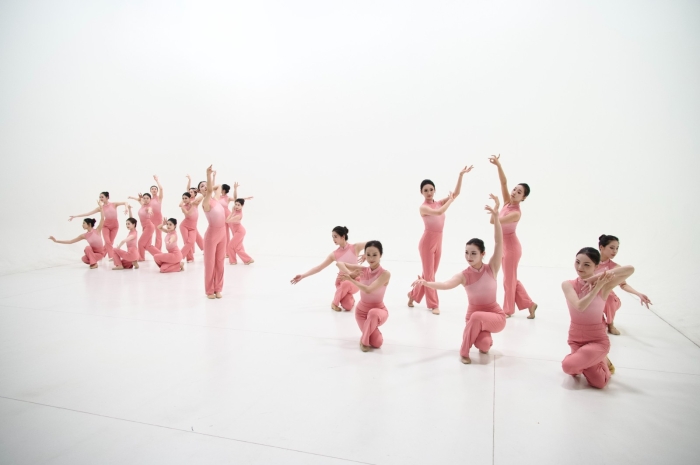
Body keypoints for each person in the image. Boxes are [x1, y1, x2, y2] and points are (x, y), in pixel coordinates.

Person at [413, 194, 506, 364]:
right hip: (473, 317)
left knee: (480, 326)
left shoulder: (492, 268)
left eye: (473, 253)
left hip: (495, 315)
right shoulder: (464, 275)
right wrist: (426, 283)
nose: (469, 257)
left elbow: (499, 242)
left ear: (482, 254)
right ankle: (469, 344)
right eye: (466, 253)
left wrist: (496, 217)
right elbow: (446, 284)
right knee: (484, 343)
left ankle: (469, 342)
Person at [561, 247, 634, 388]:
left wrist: (596, 279)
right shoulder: (568, 285)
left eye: (586, 264)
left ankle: (601, 358)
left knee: (600, 383)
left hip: (597, 340)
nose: (580, 267)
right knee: (570, 369)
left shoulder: (605, 286)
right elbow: (580, 306)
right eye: (577, 262)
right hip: (576, 338)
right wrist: (596, 288)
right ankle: (596, 359)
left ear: (597, 266)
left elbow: (630, 269)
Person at [408, 166, 473, 315]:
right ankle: (433, 305)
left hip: (439, 241)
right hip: (427, 243)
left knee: (428, 275)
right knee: (430, 276)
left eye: (431, 189)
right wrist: (450, 200)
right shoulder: (423, 207)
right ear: (421, 192)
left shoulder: (438, 202)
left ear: (435, 190)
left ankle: (413, 295)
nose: (429, 192)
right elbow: (439, 212)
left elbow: (456, 194)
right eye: (426, 190)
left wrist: (460, 175)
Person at [488, 154, 537, 319]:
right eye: (515, 189)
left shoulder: (515, 212)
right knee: (511, 278)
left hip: (512, 248)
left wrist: (495, 209)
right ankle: (530, 304)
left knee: (508, 280)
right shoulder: (508, 203)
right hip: (503, 246)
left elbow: (494, 221)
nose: (515, 192)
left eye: (519, 192)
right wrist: (498, 165)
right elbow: (504, 182)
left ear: (523, 198)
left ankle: (508, 310)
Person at [290, 227, 367, 312]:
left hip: (356, 281)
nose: (333, 239)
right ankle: (345, 296)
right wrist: (303, 275)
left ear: (343, 236)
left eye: (335, 236)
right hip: (342, 281)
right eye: (332, 237)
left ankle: (334, 303)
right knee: (347, 306)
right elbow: (319, 268)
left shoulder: (355, 247)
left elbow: (373, 244)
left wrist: (367, 254)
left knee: (347, 283)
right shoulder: (334, 254)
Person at [336, 241, 390, 351]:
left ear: (381, 255)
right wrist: (350, 273)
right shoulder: (363, 270)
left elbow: (368, 290)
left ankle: (364, 341)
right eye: (368, 254)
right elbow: (339, 263)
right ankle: (367, 335)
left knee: (373, 314)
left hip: (378, 310)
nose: (371, 258)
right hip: (361, 313)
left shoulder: (385, 274)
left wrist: (351, 279)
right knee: (377, 342)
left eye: (374, 254)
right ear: (365, 255)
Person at [597, 234, 652, 335]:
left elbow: (623, 285)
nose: (615, 251)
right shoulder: (590, 261)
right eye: (612, 248)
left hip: (607, 296)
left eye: (617, 248)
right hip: (592, 295)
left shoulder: (616, 267)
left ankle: (610, 324)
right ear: (601, 247)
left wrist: (638, 294)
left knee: (609, 298)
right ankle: (599, 319)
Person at [69, 192, 128, 260]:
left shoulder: (114, 204)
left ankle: (102, 254)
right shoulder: (100, 208)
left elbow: (125, 202)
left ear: (107, 197)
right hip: (106, 226)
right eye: (100, 197)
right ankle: (112, 257)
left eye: (102, 197)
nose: (100, 198)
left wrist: (126, 208)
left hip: (115, 226)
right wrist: (75, 216)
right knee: (108, 242)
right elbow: (88, 213)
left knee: (110, 243)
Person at [50, 201, 105, 268]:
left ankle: (94, 264)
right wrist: (56, 241)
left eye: (84, 223)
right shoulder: (84, 235)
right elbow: (70, 241)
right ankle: (93, 262)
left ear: (89, 224)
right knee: (84, 258)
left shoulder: (97, 230)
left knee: (87, 248)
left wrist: (101, 207)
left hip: (100, 254)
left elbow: (102, 219)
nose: (82, 225)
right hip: (93, 254)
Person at [200, 165, 226, 298]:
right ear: (200, 191)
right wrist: (208, 175)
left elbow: (219, 186)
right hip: (212, 235)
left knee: (220, 262)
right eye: (202, 186)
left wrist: (211, 180)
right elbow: (210, 190)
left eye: (206, 185)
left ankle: (218, 289)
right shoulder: (205, 202)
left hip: (223, 234)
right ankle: (209, 290)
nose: (205, 187)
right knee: (210, 264)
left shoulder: (215, 199)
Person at [225, 183, 255, 265]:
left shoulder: (238, 215)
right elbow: (236, 199)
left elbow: (227, 221)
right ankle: (247, 260)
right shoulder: (236, 209)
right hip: (237, 232)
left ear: (242, 206)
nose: (236, 206)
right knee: (238, 247)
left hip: (240, 232)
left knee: (230, 246)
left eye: (238, 205)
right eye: (236, 204)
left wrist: (231, 212)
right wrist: (235, 189)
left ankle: (233, 261)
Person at [128, 193, 157, 261]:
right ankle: (161, 255)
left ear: (150, 199)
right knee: (148, 246)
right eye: (144, 198)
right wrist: (131, 197)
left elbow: (149, 209)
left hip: (149, 227)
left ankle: (141, 258)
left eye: (147, 198)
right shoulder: (143, 205)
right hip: (145, 227)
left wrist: (150, 211)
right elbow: (139, 199)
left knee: (140, 243)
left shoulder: (148, 207)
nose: (146, 200)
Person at [186, 175, 205, 252]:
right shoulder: (188, 198)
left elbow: (202, 196)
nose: (190, 193)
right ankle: (196, 248)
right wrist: (189, 180)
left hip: (193, 216)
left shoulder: (196, 199)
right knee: (193, 233)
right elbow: (188, 189)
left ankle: (201, 247)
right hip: (188, 216)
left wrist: (198, 190)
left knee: (193, 232)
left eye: (191, 192)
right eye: (189, 192)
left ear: (195, 193)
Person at [179, 192, 199, 263]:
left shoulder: (195, 203)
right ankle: (190, 258)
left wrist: (198, 191)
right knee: (187, 242)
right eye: (183, 198)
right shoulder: (183, 207)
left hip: (193, 227)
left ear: (190, 198)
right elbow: (188, 214)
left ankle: (178, 256)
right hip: (184, 226)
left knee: (191, 242)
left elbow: (202, 197)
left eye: (186, 198)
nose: (184, 200)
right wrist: (182, 204)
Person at [149, 176, 165, 251]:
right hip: (150, 218)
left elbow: (161, 189)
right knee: (149, 233)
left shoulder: (159, 198)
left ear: (157, 191)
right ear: (150, 191)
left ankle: (157, 249)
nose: (154, 190)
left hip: (158, 218)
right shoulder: (149, 199)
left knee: (158, 234)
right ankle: (148, 247)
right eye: (152, 189)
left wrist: (157, 180)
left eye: (155, 189)